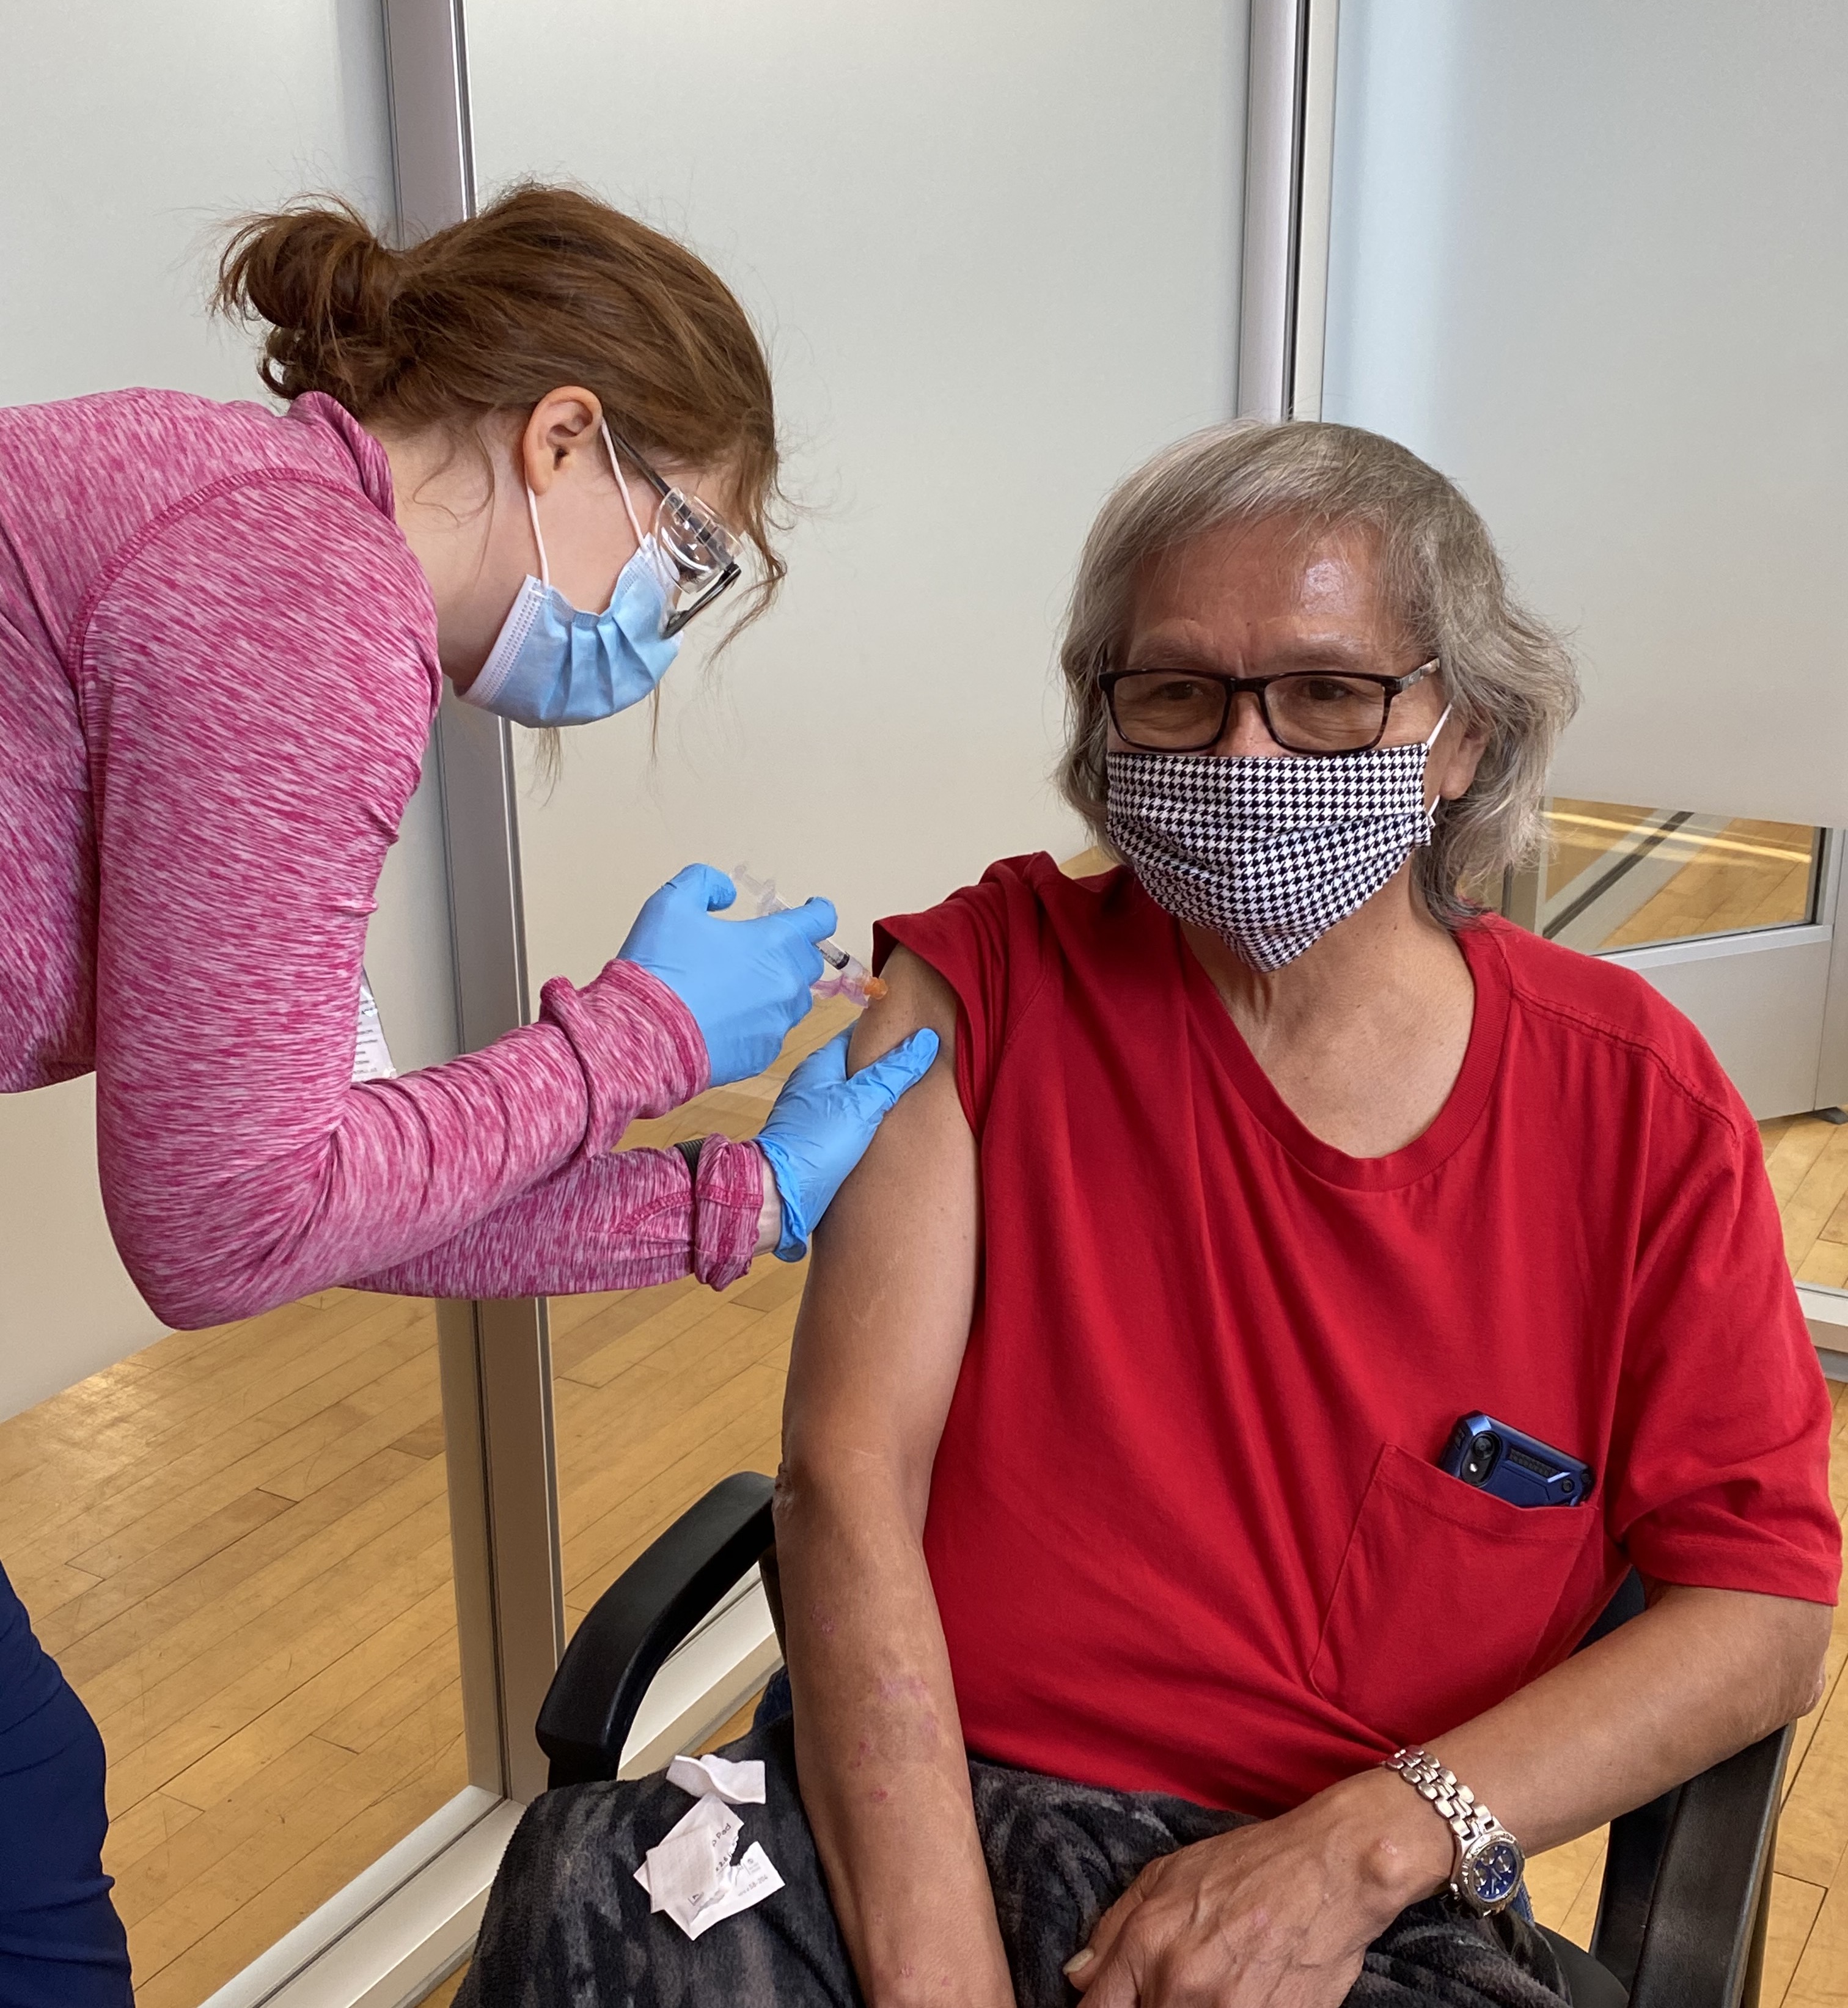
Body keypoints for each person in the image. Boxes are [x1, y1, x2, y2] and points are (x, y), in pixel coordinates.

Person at [462, 421, 1840, 2007]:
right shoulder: (979, 990)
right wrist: (944, 1987)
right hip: (909, 1821)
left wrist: (1369, 1847)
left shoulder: (1634, 1104)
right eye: (1178, 693)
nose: (1246, 758)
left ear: (1461, 729)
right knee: (585, 1910)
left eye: (1328, 693)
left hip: (1340, 1885)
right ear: (1107, 728)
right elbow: (847, 1487)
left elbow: (1762, 1611)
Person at [0, 187, 934, 2003]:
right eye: (691, 553)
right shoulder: (301, 597)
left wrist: (729, 1200)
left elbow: (334, 1180)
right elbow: (222, 1230)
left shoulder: (253, 544)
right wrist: (641, 1043)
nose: (665, 619)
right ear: (562, 435)